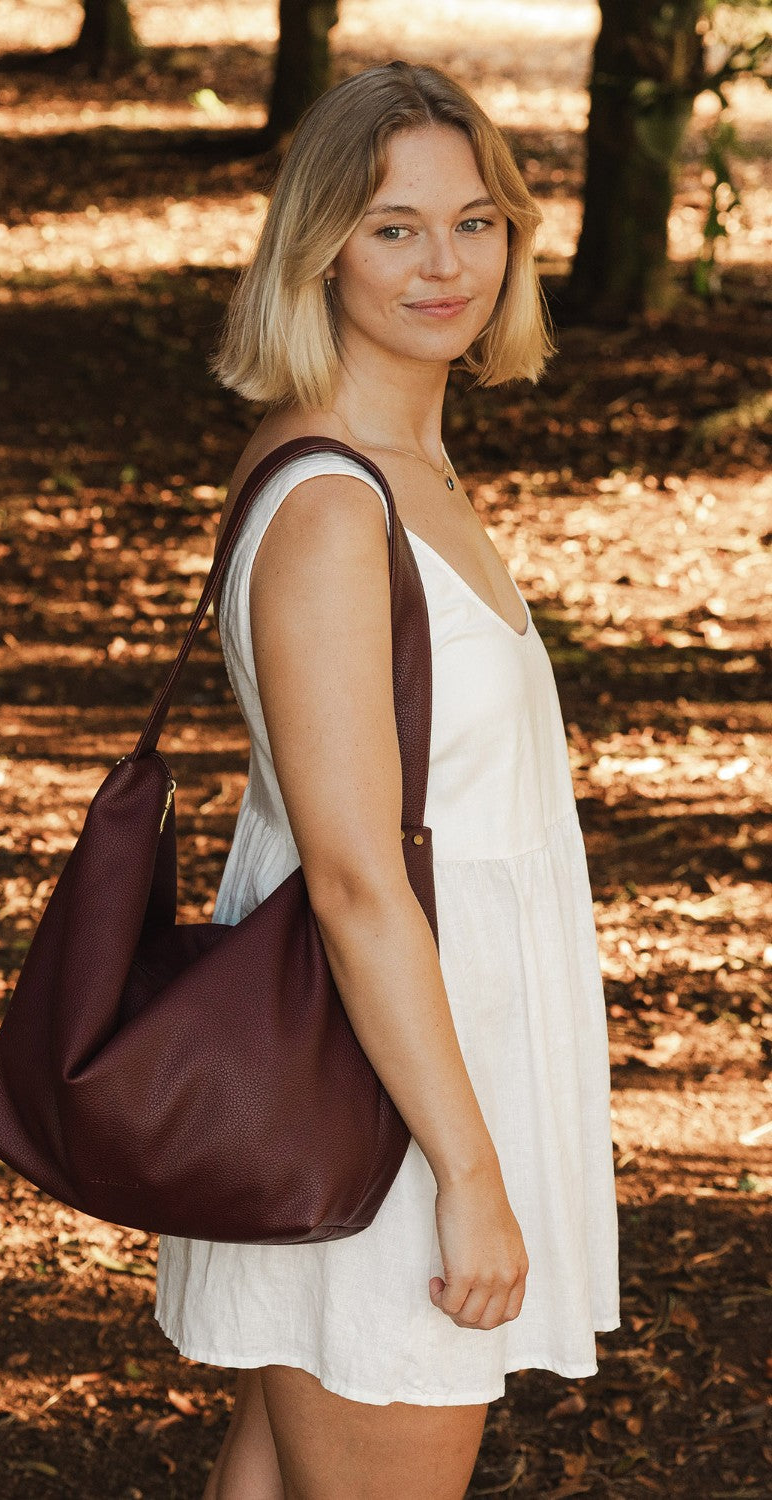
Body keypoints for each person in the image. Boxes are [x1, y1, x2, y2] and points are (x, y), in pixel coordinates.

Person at [153, 61, 621, 1500]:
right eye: (393, 227)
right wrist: (467, 1177)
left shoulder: (407, 469)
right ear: (318, 250)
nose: (445, 264)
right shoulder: (330, 507)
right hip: (382, 1094)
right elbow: (356, 876)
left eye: (475, 222)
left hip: (419, 1063)